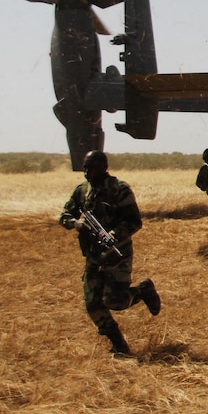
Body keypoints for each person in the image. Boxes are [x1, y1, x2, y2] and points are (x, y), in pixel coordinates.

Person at [60, 150, 160, 357]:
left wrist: (114, 234)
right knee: (92, 304)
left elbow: (134, 221)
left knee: (114, 300)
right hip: (93, 255)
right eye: (85, 167)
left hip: (117, 254)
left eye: (91, 168)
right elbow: (65, 214)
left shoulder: (119, 189)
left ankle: (143, 290)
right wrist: (75, 223)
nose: (86, 172)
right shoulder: (82, 190)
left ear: (103, 167)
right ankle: (119, 346)